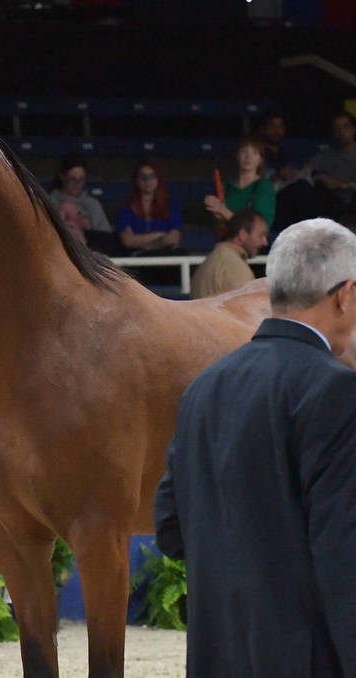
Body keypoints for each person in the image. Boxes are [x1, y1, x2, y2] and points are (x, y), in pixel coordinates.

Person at [154, 217, 356, 677]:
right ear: (344, 294)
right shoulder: (338, 391)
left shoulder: (203, 388)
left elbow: (169, 527)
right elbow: (344, 555)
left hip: (215, 654)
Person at [189, 208, 268, 299]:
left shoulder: (219, 257)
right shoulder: (234, 266)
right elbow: (246, 309)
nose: (265, 242)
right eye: (261, 235)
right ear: (242, 235)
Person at [203, 137, 276, 228]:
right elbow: (218, 222)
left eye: (254, 152)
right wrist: (213, 208)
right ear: (237, 155)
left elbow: (261, 227)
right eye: (244, 151)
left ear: (260, 160)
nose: (248, 157)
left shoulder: (264, 186)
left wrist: (223, 211)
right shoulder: (227, 186)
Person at [115, 161, 182, 254]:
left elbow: (173, 238)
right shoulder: (125, 207)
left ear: (158, 179)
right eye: (143, 177)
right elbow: (128, 241)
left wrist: (147, 246)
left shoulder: (171, 205)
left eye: (152, 176)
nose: (147, 181)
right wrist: (159, 235)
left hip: (164, 256)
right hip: (136, 258)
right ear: (136, 180)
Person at [304, 112, 356, 223]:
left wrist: (344, 185)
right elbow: (305, 174)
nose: (341, 132)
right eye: (337, 128)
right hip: (333, 205)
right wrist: (319, 176)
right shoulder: (323, 156)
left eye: (346, 127)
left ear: (353, 129)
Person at [47, 155, 113, 235]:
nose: (77, 184)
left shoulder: (93, 204)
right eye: (73, 179)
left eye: (81, 179)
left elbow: (106, 235)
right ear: (62, 176)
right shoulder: (50, 202)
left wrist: (88, 226)